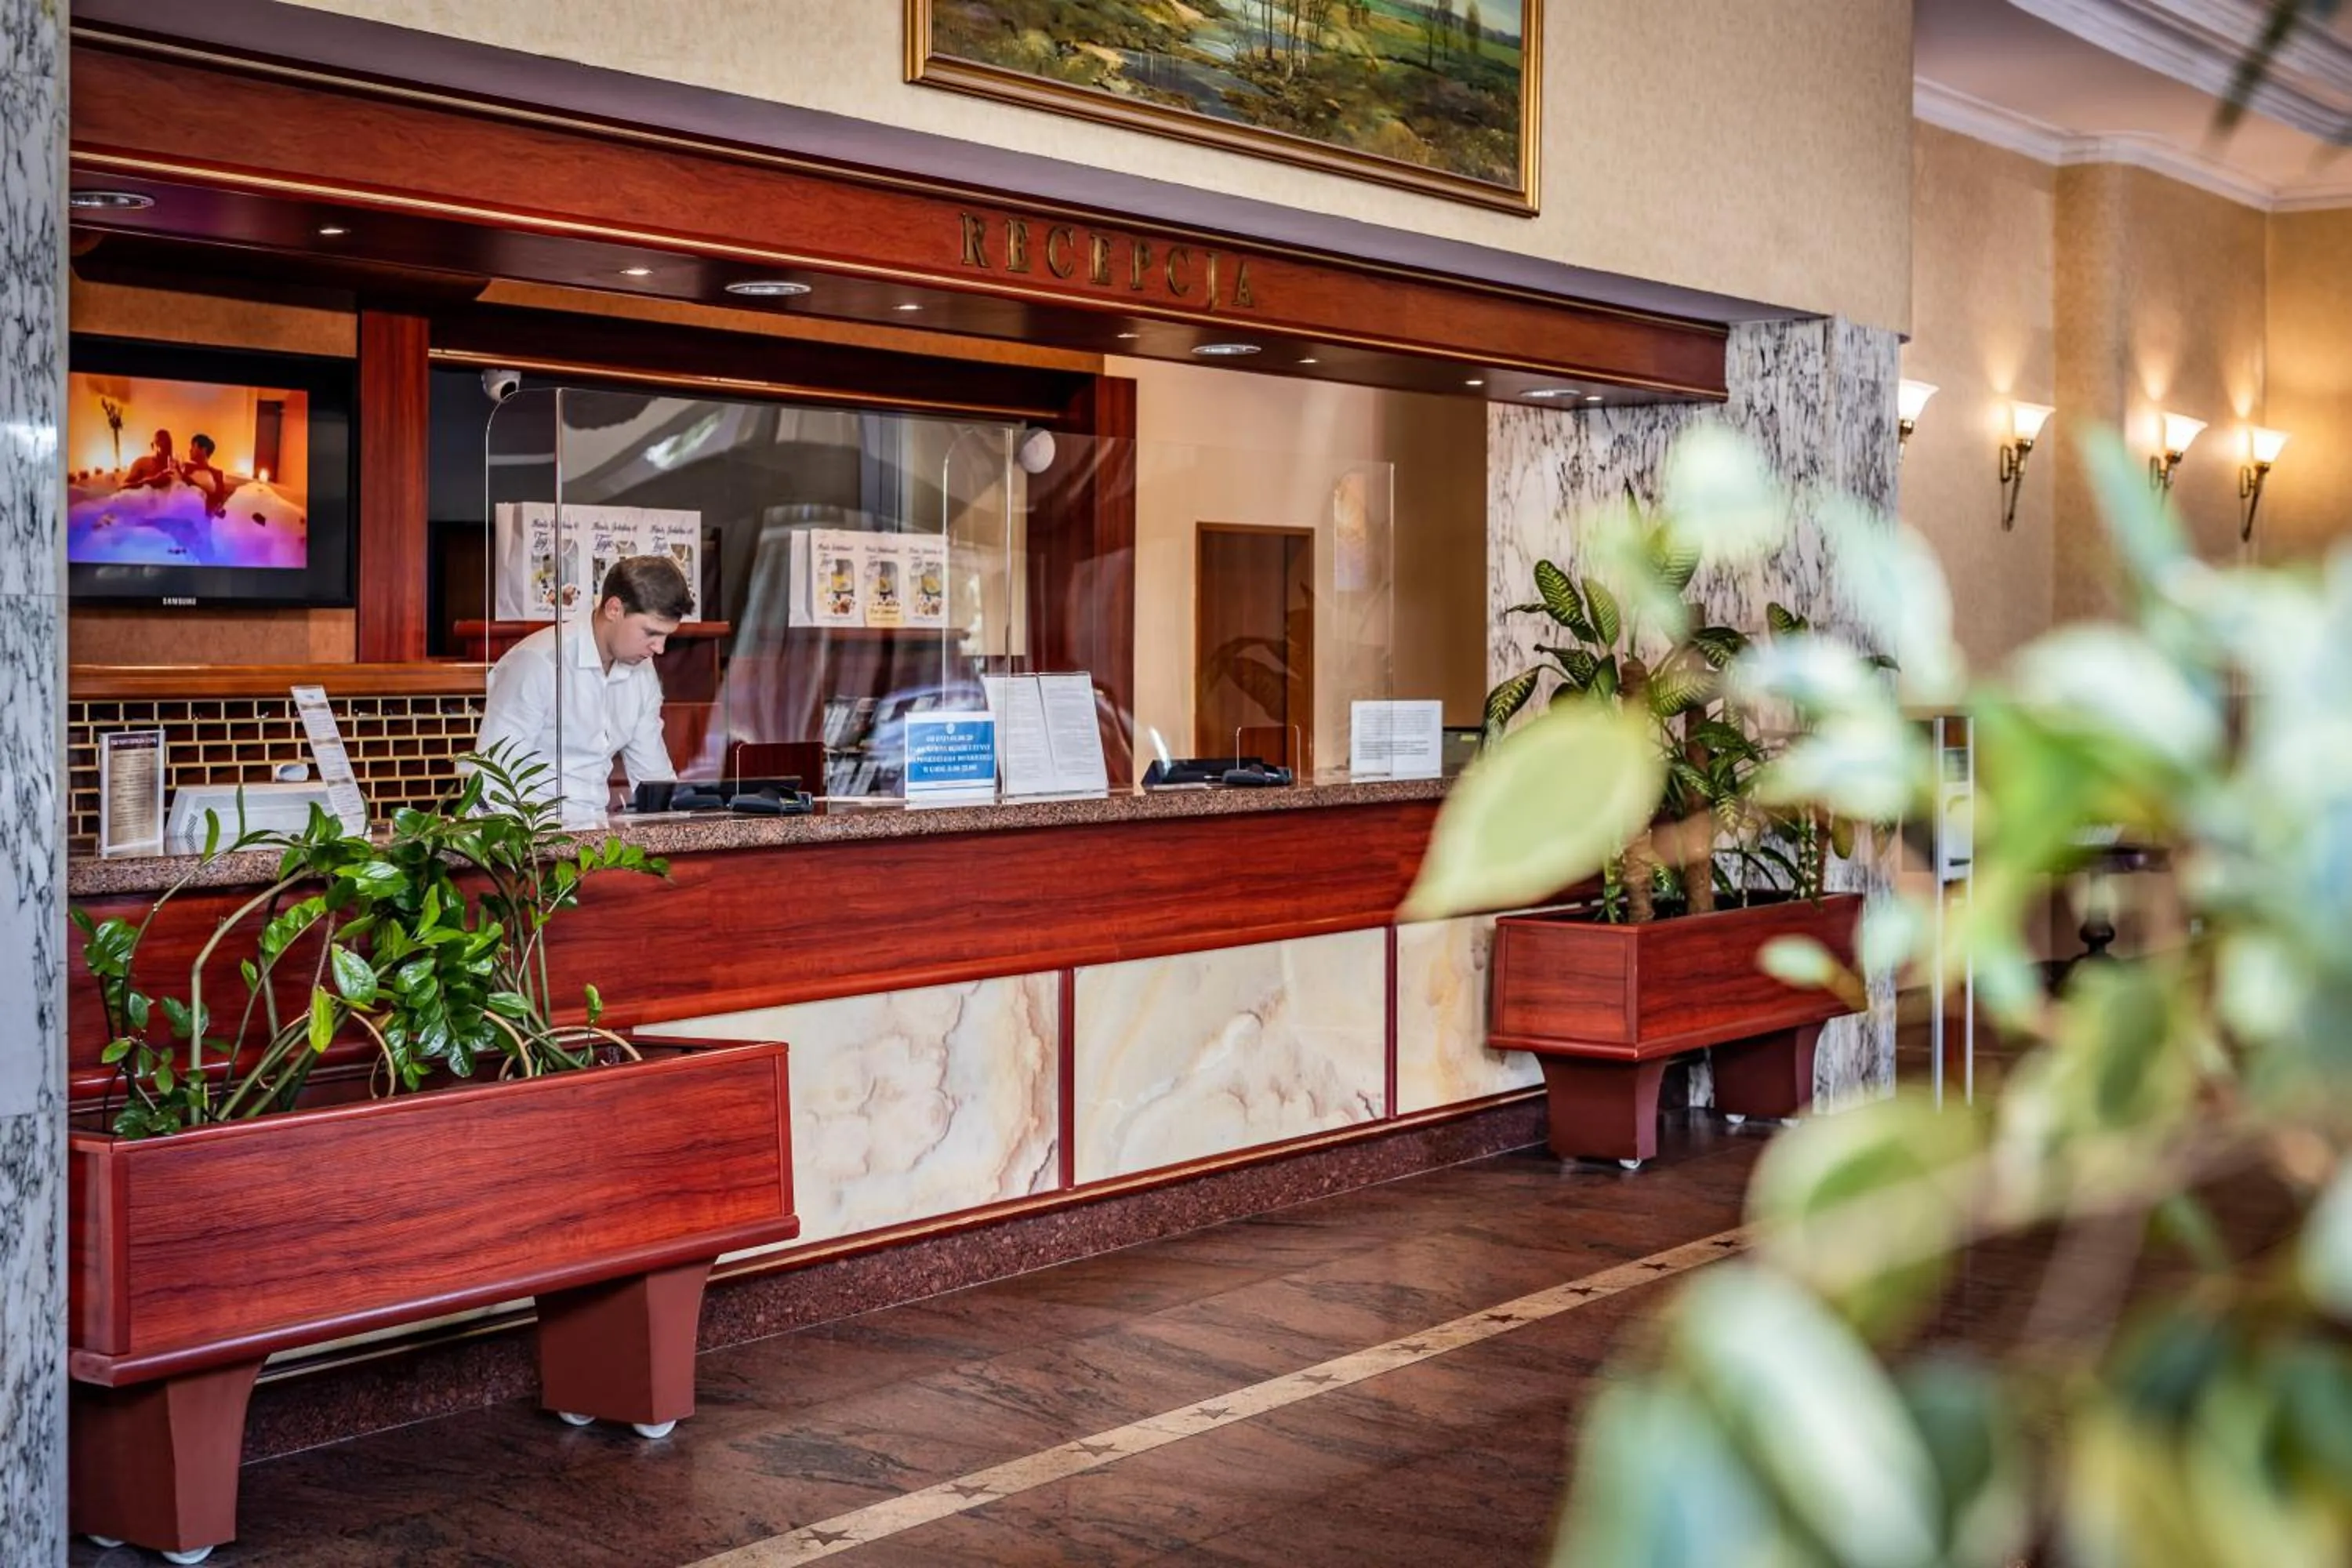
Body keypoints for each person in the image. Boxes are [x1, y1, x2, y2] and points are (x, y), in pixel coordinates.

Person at [474, 554, 691, 824]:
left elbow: (653, 776)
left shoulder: (643, 673)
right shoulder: (537, 663)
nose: (659, 649)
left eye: (666, 636)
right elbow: (487, 782)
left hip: (599, 841)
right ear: (614, 609)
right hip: (531, 844)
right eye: (650, 633)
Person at [179, 434, 232, 517]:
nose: (190, 450)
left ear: (203, 450)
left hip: (201, 513)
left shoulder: (217, 474)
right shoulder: (186, 467)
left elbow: (218, 498)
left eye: (193, 446)